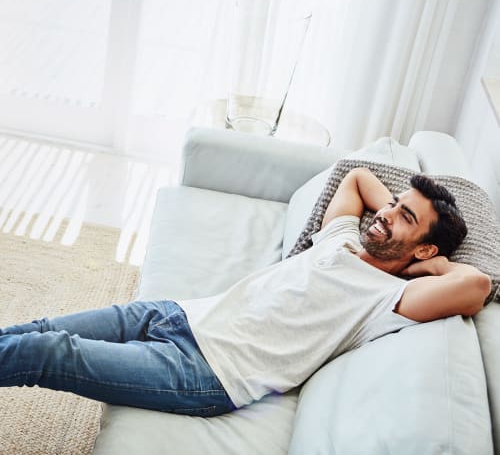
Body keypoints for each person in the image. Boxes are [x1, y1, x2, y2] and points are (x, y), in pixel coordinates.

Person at [0, 168, 491, 417]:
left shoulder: (386, 299)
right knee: (39, 328)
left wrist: (439, 264)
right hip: (180, 315)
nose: (385, 213)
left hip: (206, 373)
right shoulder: (340, 238)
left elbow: (477, 286)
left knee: (48, 351)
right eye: (394, 204)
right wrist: (397, 211)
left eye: (405, 217)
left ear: (424, 250)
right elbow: (356, 179)